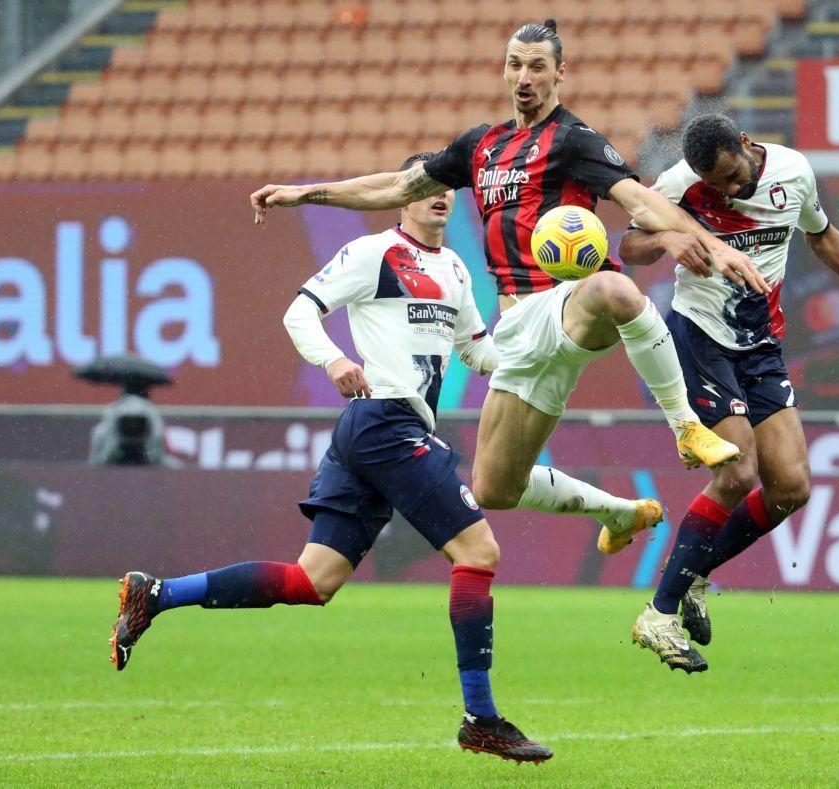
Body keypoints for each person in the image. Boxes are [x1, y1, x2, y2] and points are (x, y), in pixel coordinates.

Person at [250, 20, 771, 557]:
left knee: (614, 291)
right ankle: (621, 513)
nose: (524, 76)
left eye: (537, 66)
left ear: (559, 73)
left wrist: (715, 245)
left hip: (563, 306)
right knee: (494, 487)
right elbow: (397, 185)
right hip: (519, 334)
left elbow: (639, 201)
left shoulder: (574, 140)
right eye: (515, 64)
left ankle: (685, 425)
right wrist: (303, 193)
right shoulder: (481, 145)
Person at [110, 154, 555, 764]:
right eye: (425, 187)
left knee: (313, 581)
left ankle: (157, 594)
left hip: (377, 430)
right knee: (478, 552)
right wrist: (334, 360)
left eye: (447, 189)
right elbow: (298, 312)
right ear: (402, 197)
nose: (439, 197)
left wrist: (539, 353)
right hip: (384, 421)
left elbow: (477, 352)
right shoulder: (372, 254)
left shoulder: (455, 268)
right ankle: (480, 718)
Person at [619, 113, 839, 673]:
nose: (730, 192)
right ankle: (660, 612)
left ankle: (691, 575)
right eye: (716, 187)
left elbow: (823, 238)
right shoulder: (679, 183)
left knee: (790, 486)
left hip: (761, 344)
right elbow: (630, 245)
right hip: (702, 334)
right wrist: (669, 236)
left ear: (747, 143)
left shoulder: (794, 170)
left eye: (734, 178)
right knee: (738, 471)